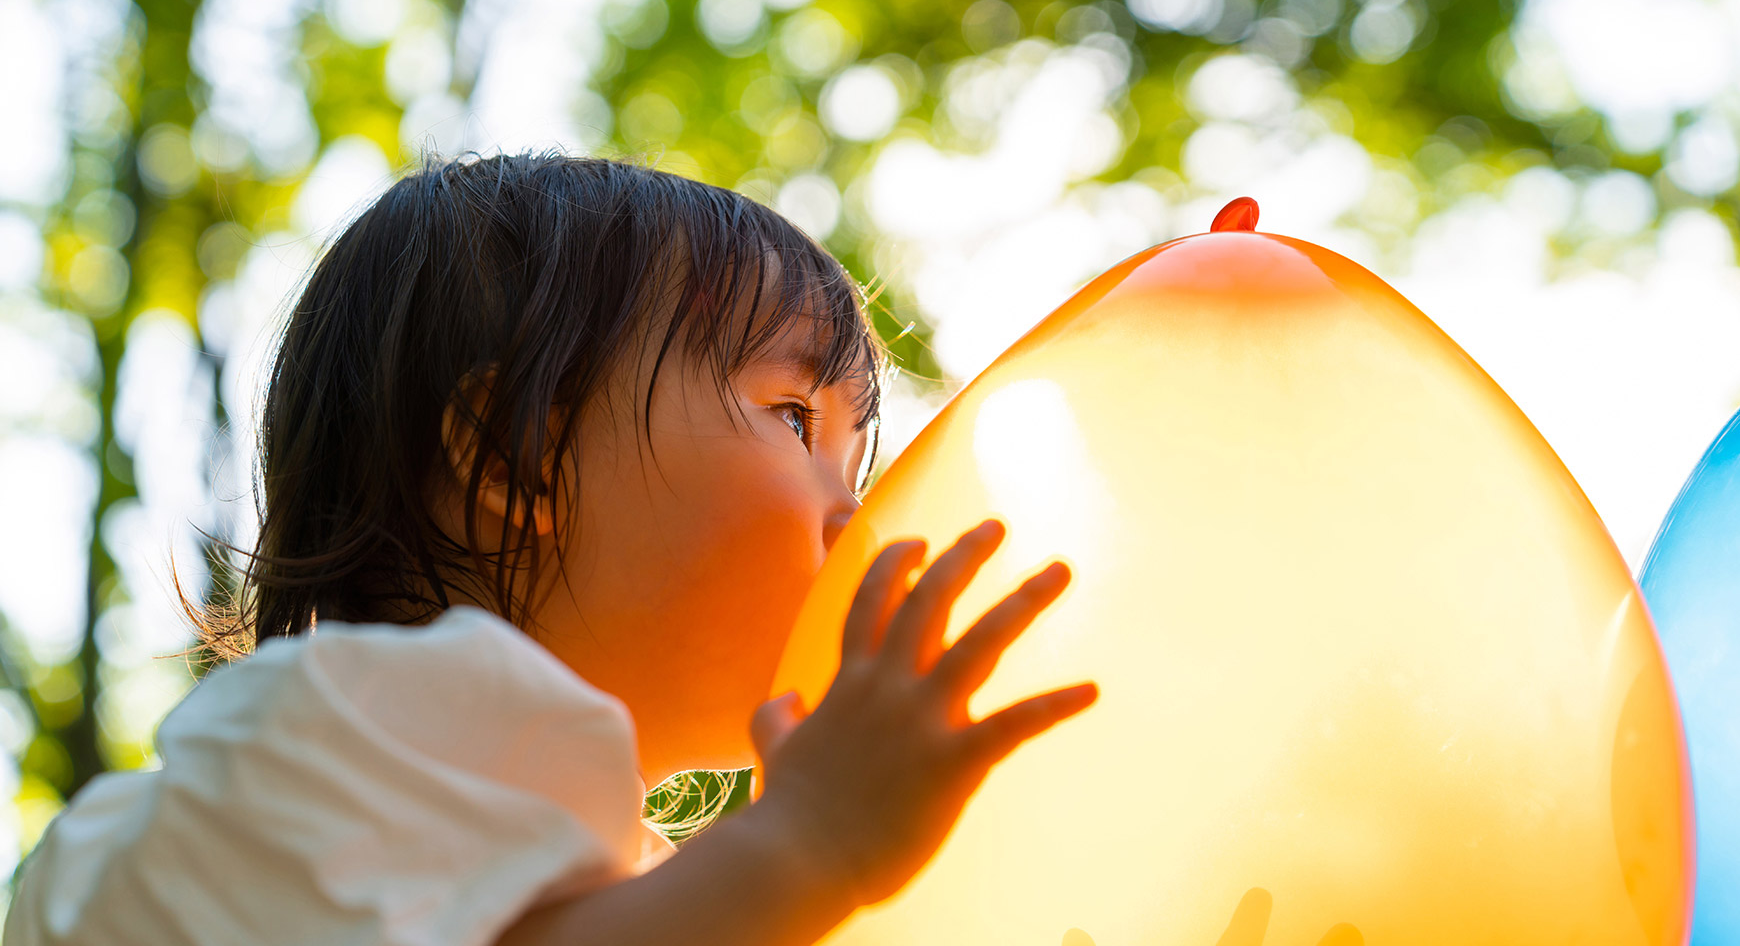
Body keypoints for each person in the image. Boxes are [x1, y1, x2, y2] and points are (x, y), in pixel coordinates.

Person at [5, 153, 1098, 946]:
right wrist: (816, 843)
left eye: (856, 464)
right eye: (794, 418)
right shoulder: (348, 722)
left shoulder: (635, 865)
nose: (854, 515)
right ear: (513, 456)